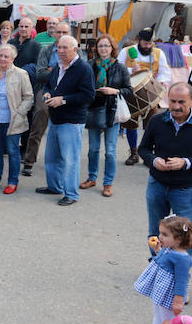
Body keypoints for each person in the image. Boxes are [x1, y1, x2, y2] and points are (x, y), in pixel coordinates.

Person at [36, 35, 95, 206]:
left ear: (75, 50)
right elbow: (48, 84)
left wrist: (63, 100)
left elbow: (88, 95)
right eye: (59, 48)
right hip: (56, 118)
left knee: (70, 160)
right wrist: (47, 93)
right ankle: (55, 187)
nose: (60, 51)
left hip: (72, 120)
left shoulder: (84, 69)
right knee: (51, 157)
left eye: (64, 48)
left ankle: (71, 194)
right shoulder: (58, 66)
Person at [22, 21, 86, 177]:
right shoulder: (46, 51)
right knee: (39, 120)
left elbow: (78, 73)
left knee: (65, 129)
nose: (61, 35)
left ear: (69, 33)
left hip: (68, 93)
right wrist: (58, 70)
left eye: (65, 32)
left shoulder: (78, 52)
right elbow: (40, 74)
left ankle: (63, 163)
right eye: (59, 32)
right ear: (54, 34)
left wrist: (51, 70)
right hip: (46, 90)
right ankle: (29, 161)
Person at [138, 83, 192, 243]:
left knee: (183, 238)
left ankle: (179, 269)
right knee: (155, 234)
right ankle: (156, 267)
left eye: (181, 102)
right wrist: (154, 160)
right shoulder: (157, 120)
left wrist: (186, 163)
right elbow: (143, 149)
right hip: (156, 186)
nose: (176, 106)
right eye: (172, 101)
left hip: (186, 190)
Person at [134, 216, 192, 324]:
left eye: (165, 235)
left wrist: (178, 300)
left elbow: (182, 280)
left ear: (179, 239)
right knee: (158, 313)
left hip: (170, 293)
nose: (160, 236)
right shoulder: (169, 248)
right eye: (160, 233)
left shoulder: (182, 258)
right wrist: (157, 249)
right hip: (161, 288)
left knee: (169, 322)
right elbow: (161, 259)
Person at [81, 34, 132, 197]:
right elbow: (82, 86)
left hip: (112, 110)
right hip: (93, 110)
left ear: (112, 48)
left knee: (110, 151)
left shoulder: (120, 67)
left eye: (106, 46)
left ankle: (108, 183)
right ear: (96, 48)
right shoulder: (89, 65)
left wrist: (114, 91)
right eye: (101, 46)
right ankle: (92, 177)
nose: (103, 49)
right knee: (93, 149)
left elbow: (129, 90)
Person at [0, 44, 34, 194]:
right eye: (0, 56)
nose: (3, 59)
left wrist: (19, 113)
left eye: (6, 56)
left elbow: (28, 97)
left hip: (13, 119)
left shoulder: (21, 74)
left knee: (12, 151)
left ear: (13, 58)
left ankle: (12, 181)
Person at [119, 27, 173, 166]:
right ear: (139, 41)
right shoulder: (126, 51)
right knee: (130, 125)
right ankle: (133, 153)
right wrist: (131, 70)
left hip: (150, 94)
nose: (148, 46)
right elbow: (117, 69)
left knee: (153, 125)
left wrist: (162, 82)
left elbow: (165, 72)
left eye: (150, 43)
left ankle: (148, 155)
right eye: (145, 43)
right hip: (130, 93)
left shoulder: (158, 53)